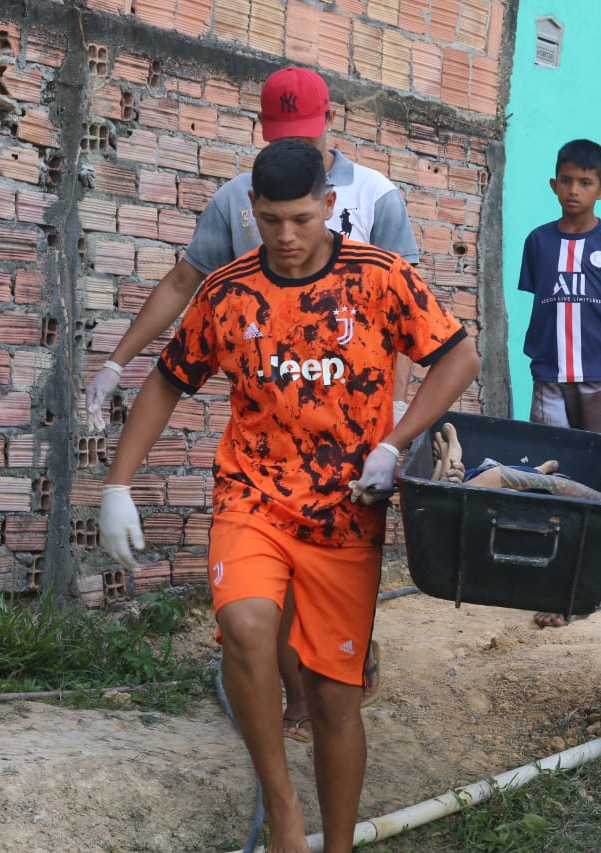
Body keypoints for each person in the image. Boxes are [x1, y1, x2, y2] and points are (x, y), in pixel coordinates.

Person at [98, 138, 479, 853]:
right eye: (271, 219)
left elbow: (459, 355)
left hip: (345, 511)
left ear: (330, 206)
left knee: (336, 698)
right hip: (251, 495)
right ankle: (282, 810)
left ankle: (335, 843)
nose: (286, 236)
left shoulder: (381, 278)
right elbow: (170, 378)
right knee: (246, 627)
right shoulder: (228, 290)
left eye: (302, 218)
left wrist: (396, 442)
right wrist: (117, 481)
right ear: (253, 211)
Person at [85, 66, 421, 742]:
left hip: (350, 416)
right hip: (269, 422)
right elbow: (187, 279)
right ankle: (296, 695)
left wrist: (397, 427)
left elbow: (408, 311)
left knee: (332, 582)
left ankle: (332, 674)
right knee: (269, 578)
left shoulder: (378, 195)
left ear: (332, 124)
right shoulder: (238, 198)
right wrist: (118, 360)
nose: (284, 228)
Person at [518, 138, 601, 628]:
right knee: (550, 478)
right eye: (566, 181)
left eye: (585, 183)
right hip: (549, 378)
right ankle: (555, 589)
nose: (574, 190)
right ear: (553, 184)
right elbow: (541, 305)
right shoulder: (538, 242)